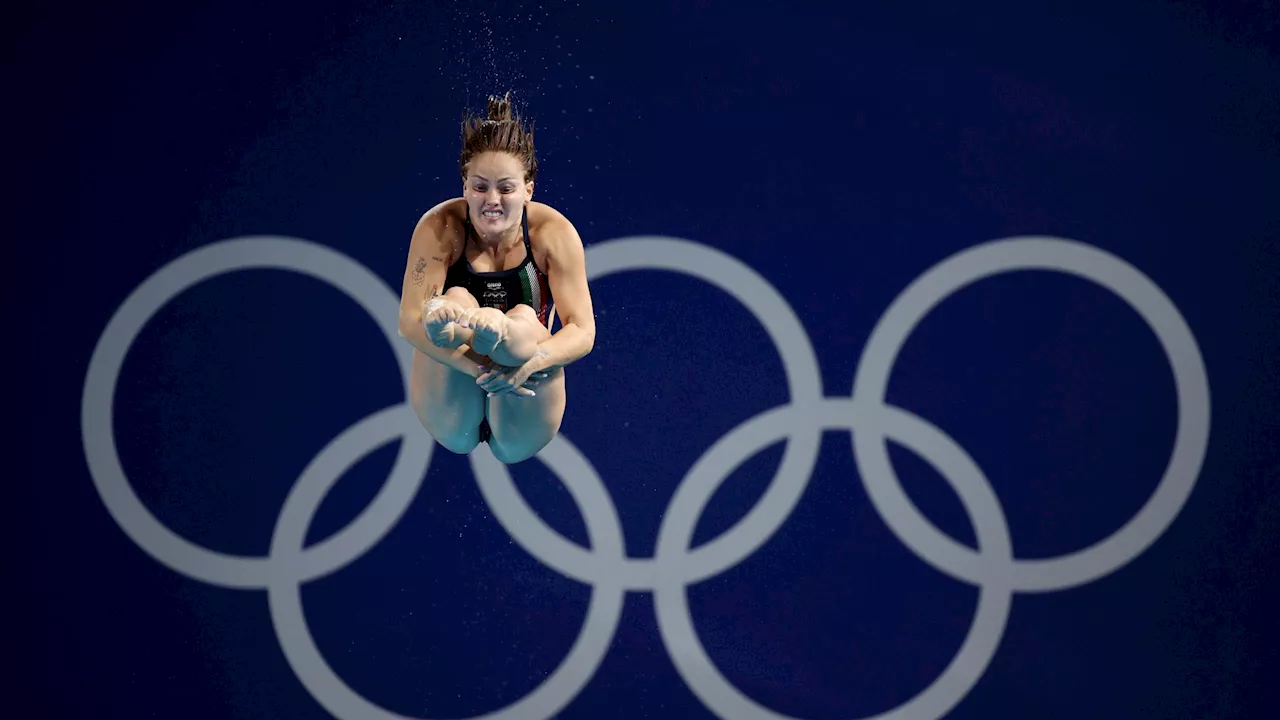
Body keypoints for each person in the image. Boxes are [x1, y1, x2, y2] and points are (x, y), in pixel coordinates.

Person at [397, 93, 596, 464]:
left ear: (528, 190)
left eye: (506, 188)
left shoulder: (553, 233)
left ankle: (498, 330)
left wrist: (531, 363)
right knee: (455, 300)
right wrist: (478, 369)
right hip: (451, 398)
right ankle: (464, 323)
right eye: (479, 186)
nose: (492, 200)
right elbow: (409, 322)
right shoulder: (440, 227)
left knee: (523, 317)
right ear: (464, 185)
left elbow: (583, 331)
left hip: (526, 393)